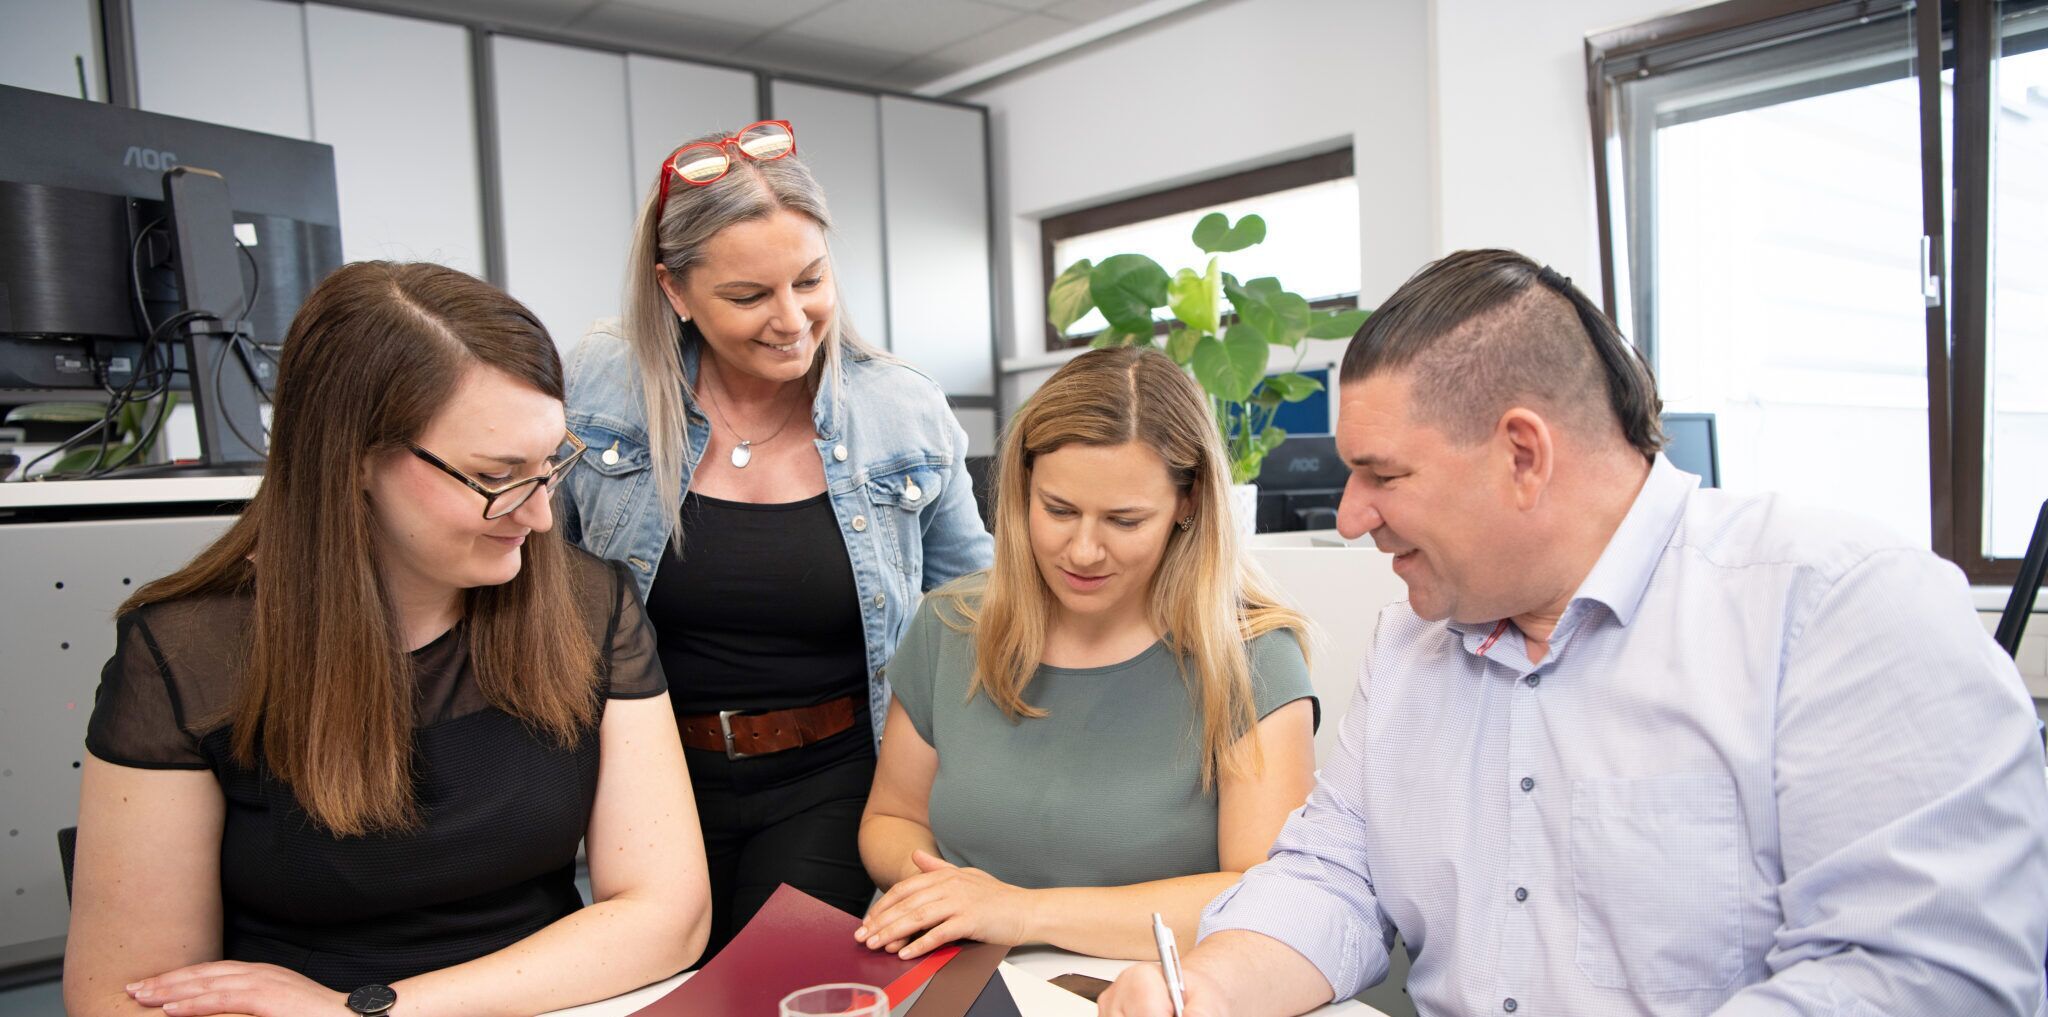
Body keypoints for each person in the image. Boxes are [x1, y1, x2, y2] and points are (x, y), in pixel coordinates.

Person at [1099, 249, 2048, 1016]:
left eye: (1383, 475)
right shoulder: (1410, 646)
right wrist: (1207, 992)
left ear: (1522, 452)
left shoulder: (1842, 610)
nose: (1352, 517)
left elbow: (1924, 978)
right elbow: (1333, 878)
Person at [63, 262, 711, 1017]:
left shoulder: (586, 602)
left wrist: (369, 1009)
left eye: (551, 465)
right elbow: (122, 994)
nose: (539, 517)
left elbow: (670, 914)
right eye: (497, 476)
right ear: (358, 459)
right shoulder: (188, 654)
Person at [559, 119, 993, 958]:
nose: (793, 320)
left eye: (811, 279)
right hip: (642, 778)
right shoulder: (598, 386)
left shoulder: (901, 409)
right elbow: (537, 580)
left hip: (831, 776)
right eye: (750, 296)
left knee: (778, 983)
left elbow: (975, 616)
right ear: (675, 291)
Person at [854, 345, 1319, 961]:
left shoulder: (1251, 656)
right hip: (960, 975)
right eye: (1059, 510)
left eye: (1124, 520)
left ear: (1189, 503)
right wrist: (947, 903)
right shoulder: (951, 624)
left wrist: (1019, 913)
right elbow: (891, 820)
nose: (1083, 551)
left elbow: (1261, 895)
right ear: (1023, 488)